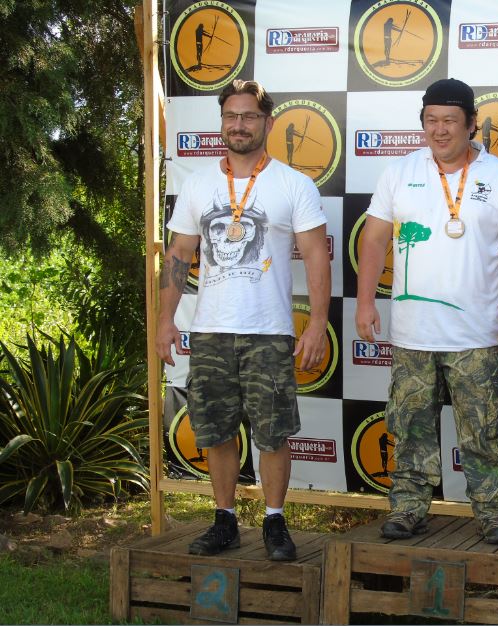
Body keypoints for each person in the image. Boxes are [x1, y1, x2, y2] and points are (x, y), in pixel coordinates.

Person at [155, 79, 331, 561]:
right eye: (231, 116)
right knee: (216, 430)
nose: (239, 124)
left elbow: (317, 255)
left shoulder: (293, 184)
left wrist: (317, 323)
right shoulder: (198, 184)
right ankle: (225, 520)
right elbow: (178, 255)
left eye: (249, 116)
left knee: (272, 432)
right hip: (210, 330)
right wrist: (165, 320)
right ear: (222, 123)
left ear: (267, 123)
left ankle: (275, 521)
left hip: (268, 331)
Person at [355, 78, 498, 545]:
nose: (440, 129)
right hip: (412, 334)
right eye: (431, 120)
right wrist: (366, 300)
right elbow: (374, 238)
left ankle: (492, 512)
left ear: (472, 124)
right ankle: (408, 509)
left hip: (476, 335)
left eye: (450, 120)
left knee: (484, 429)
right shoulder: (399, 172)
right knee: (409, 425)